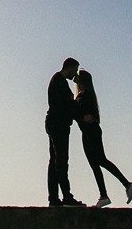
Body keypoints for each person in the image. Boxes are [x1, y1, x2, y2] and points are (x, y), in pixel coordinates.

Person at [74, 68, 132, 208]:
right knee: (95, 163)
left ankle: (126, 184)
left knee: (100, 160)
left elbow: (81, 113)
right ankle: (104, 195)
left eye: (78, 76)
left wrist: (81, 116)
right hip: (87, 131)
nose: (75, 77)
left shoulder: (85, 95)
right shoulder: (83, 95)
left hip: (91, 131)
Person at [45, 57, 84, 206]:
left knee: (55, 161)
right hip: (58, 125)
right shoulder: (59, 83)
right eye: (74, 70)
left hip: (55, 124)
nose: (74, 74)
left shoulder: (57, 81)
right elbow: (68, 106)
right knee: (60, 161)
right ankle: (66, 197)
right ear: (69, 68)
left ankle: (54, 198)